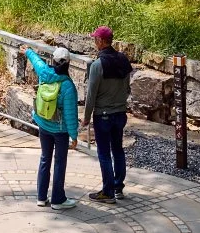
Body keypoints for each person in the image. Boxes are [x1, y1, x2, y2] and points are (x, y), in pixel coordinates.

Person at [23, 44, 80, 208]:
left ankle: (41, 197)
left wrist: (28, 51)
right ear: (68, 63)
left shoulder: (45, 74)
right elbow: (70, 114)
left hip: (43, 124)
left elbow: (37, 62)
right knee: (59, 162)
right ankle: (58, 199)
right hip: (60, 131)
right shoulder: (68, 86)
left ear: (53, 61)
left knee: (44, 159)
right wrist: (74, 136)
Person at [85, 25, 134, 201]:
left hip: (103, 115)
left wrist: (86, 117)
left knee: (104, 153)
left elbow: (91, 94)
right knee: (118, 150)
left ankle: (107, 192)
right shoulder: (123, 60)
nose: (94, 42)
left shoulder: (97, 65)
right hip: (120, 113)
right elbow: (127, 88)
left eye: (95, 39)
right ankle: (118, 187)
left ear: (100, 41)